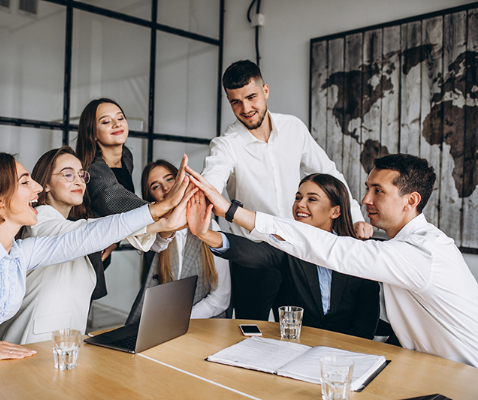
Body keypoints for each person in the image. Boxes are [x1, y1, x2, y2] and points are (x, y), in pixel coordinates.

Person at [0, 152, 193, 366]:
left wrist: (156, 210)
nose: (38, 188)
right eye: (26, 181)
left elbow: (84, 237)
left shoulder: (19, 253)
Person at [186, 154, 478, 367]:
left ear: (411, 200)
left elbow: (331, 249)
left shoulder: (421, 252)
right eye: (368, 188)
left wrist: (230, 210)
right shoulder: (401, 246)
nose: (365, 200)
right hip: (432, 366)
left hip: (463, 376)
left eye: (379, 191)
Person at [201, 60, 373, 321]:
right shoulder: (226, 145)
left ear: (265, 91)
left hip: (296, 253)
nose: (245, 108)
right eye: (235, 102)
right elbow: (211, 180)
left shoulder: (294, 128)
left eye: (251, 97)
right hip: (253, 256)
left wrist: (356, 218)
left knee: (300, 331)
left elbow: (330, 174)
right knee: (250, 332)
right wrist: (203, 194)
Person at [0, 147, 175, 345]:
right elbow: (87, 233)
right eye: (68, 174)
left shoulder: (72, 225)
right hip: (29, 347)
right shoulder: (40, 221)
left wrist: (163, 225)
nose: (79, 180)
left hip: (62, 349)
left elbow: (88, 233)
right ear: (44, 184)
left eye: (81, 174)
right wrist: (159, 214)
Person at [187, 173, 380, 339]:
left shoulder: (357, 252)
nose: (300, 204)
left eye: (311, 199)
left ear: (335, 211)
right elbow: (253, 252)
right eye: (298, 197)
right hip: (297, 347)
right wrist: (205, 234)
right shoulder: (289, 246)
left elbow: (366, 320)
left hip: (349, 353)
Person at [76, 98, 184, 299]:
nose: (117, 124)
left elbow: (115, 209)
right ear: (92, 133)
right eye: (106, 121)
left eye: (120, 118)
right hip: (81, 249)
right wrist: (165, 208)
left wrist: (115, 240)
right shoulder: (91, 168)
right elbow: (115, 200)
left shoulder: (126, 157)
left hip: (103, 245)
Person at [126, 160, 231, 324]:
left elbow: (221, 297)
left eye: (169, 179)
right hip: (162, 323)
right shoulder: (154, 235)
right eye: (155, 186)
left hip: (204, 324)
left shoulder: (210, 227)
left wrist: (180, 319)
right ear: (150, 197)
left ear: (181, 180)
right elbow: (157, 243)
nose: (165, 188)